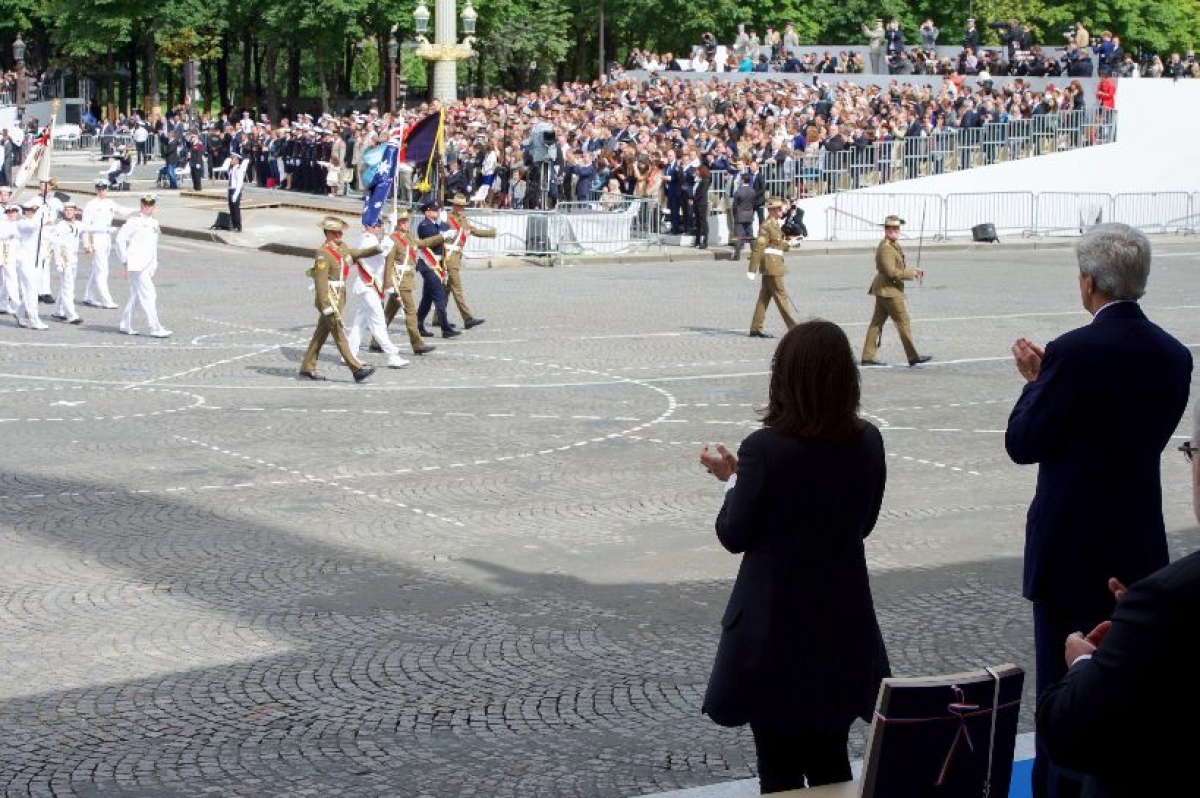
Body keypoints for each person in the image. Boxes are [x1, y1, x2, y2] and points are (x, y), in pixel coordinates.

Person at [1006, 222, 1192, 798]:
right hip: (1138, 543)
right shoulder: (1174, 355)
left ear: (1089, 282)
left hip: (1070, 548)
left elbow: (1024, 442)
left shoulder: (1073, 352)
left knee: (1063, 697)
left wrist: (1036, 384)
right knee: (1130, 687)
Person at [699, 320, 891, 794]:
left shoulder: (763, 450)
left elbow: (734, 534)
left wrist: (732, 481)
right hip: (842, 625)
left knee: (779, 769)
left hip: (774, 633)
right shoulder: (868, 441)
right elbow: (863, 524)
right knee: (831, 761)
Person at [1035, 402, 1200, 798]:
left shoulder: (1165, 600)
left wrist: (1086, 663)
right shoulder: (1162, 604)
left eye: (1192, 453)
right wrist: (1138, 637)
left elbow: (1070, 732)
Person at [298, 216, 377, 383]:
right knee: (339, 333)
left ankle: (307, 367)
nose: (340, 235)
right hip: (330, 298)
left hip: (339, 296)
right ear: (328, 233)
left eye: (340, 232)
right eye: (336, 233)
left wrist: (377, 249)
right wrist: (325, 304)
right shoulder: (323, 253)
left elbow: (356, 254)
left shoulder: (342, 248)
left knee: (320, 334)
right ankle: (356, 369)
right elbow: (320, 282)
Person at [859, 215, 931, 367]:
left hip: (885, 289)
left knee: (876, 323)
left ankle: (867, 356)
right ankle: (913, 356)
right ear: (886, 230)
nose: (895, 231)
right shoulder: (886, 248)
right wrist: (912, 273)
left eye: (897, 228)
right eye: (892, 228)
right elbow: (891, 272)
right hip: (889, 290)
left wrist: (911, 270)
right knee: (903, 321)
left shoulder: (892, 244)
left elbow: (896, 267)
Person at [378, 206, 443, 356]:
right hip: (399, 281)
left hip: (407, 279)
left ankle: (376, 341)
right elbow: (389, 263)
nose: (406, 224)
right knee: (411, 312)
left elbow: (423, 243)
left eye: (407, 221)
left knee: (389, 312)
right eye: (403, 221)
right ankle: (417, 344)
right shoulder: (392, 239)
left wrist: (442, 237)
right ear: (397, 223)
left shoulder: (408, 237)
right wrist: (388, 284)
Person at [344, 220, 408, 370]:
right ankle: (392, 355)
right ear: (368, 227)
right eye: (376, 226)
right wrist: (384, 243)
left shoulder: (371, 239)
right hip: (368, 286)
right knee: (378, 323)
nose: (379, 228)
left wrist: (385, 240)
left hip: (370, 287)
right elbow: (375, 254)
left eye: (380, 226)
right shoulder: (367, 240)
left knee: (360, 324)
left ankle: (349, 354)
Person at [115, 194, 171, 338]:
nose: (147, 207)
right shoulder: (134, 221)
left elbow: (153, 245)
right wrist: (124, 260)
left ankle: (125, 325)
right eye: (145, 204)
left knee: (136, 296)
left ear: (154, 206)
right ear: (141, 205)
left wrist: (154, 263)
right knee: (149, 295)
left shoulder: (154, 222)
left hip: (147, 264)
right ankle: (155, 328)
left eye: (150, 204)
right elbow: (120, 239)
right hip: (136, 265)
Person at [746, 198, 797, 339]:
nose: (782, 211)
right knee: (781, 297)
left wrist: (790, 244)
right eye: (779, 209)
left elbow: (776, 243)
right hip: (772, 266)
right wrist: (752, 269)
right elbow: (758, 247)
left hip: (773, 265)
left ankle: (756, 328)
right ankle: (794, 329)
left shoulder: (774, 224)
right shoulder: (766, 225)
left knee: (764, 298)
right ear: (772, 211)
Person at [81, 180, 134, 310]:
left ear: (107, 189)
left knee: (97, 269)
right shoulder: (91, 205)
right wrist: (86, 243)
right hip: (96, 237)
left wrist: (139, 209)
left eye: (103, 189)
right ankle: (106, 300)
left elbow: (122, 210)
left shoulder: (110, 203)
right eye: (99, 189)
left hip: (107, 238)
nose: (101, 191)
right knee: (102, 270)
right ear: (96, 190)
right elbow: (85, 225)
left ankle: (88, 296)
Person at [414, 200, 464, 338]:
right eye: (434, 210)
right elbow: (433, 240)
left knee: (427, 297)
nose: (437, 212)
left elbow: (445, 228)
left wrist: (445, 227)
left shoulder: (437, 224)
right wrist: (443, 234)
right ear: (427, 212)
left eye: (438, 210)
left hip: (437, 264)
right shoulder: (424, 225)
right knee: (439, 295)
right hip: (428, 264)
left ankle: (418, 323)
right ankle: (445, 327)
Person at [48, 201, 84, 325]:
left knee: (66, 286)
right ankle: (72, 315)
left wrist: (106, 229)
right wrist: (58, 262)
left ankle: (57, 312)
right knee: (68, 287)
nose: (68, 212)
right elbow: (55, 244)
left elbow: (90, 227)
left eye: (71, 210)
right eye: (66, 210)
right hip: (64, 260)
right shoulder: (61, 226)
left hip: (74, 259)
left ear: (75, 212)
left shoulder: (78, 224)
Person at [224, 151, 250, 232]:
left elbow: (239, 183)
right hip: (230, 189)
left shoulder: (239, 169)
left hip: (235, 190)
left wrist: (236, 194)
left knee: (236, 209)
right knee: (231, 208)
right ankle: (233, 224)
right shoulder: (231, 169)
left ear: (237, 160)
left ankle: (238, 226)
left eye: (232, 159)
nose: (231, 160)